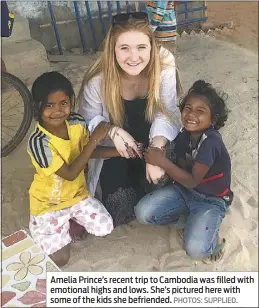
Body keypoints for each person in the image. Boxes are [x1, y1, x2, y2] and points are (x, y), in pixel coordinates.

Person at [78, 12, 181, 227]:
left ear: (152, 47)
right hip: (116, 149)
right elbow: (87, 124)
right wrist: (113, 131)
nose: (133, 57)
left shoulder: (164, 63)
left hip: (153, 141)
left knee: (157, 185)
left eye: (141, 47)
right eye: (124, 48)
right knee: (119, 211)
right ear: (112, 49)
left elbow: (168, 110)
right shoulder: (98, 80)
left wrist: (156, 154)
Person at [135, 80, 233, 263]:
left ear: (213, 119)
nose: (191, 115)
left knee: (196, 250)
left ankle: (211, 238)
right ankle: (194, 221)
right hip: (184, 191)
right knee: (143, 212)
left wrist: (162, 161)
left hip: (211, 200)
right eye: (187, 108)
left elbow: (192, 181)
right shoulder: (184, 135)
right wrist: (158, 157)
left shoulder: (210, 142)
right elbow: (180, 168)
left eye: (200, 111)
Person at [28, 71, 114, 267]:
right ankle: (44, 225)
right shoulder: (38, 143)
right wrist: (93, 140)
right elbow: (69, 174)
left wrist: (121, 151)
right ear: (37, 106)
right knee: (60, 259)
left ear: (71, 102)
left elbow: (89, 152)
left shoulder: (76, 122)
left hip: (76, 196)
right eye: (49, 105)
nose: (57, 111)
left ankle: (72, 218)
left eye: (63, 103)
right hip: (48, 204)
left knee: (105, 227)